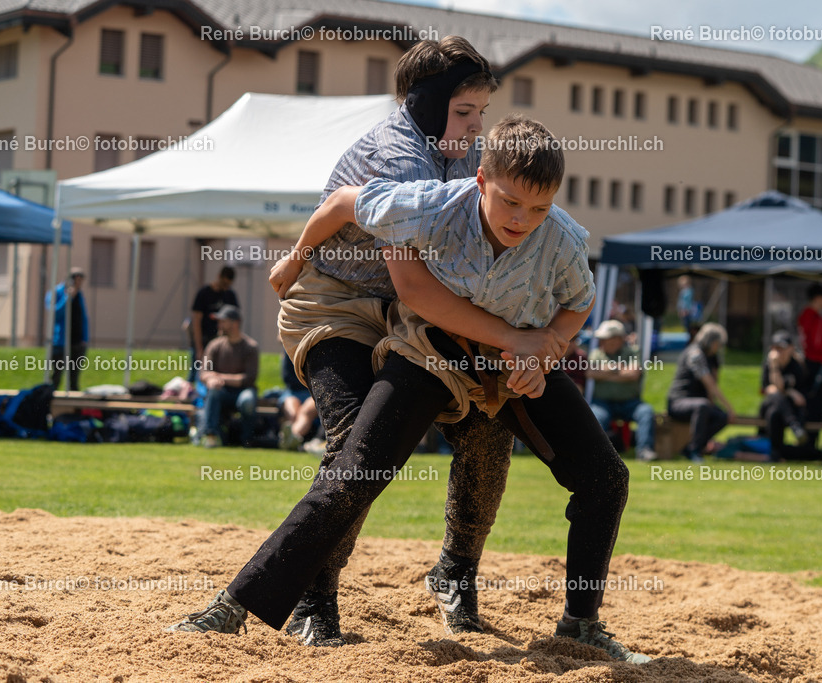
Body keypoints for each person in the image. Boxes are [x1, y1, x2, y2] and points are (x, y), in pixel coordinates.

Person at [181, 114, 649, 662]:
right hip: (432, 352)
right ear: (480, 180)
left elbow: (579, 303)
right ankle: (234, 605)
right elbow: (340, 204)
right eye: (510, 202)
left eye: (539, 208)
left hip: (509, 364)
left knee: (606, 478)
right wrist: (296, 256)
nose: (523, 219)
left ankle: (579, 625)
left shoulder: (562, 238)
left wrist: (545, 350)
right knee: (356, 470)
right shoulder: (432, 204)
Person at [171, 38, 562, 647]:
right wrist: (513, 338)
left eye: (483, 112)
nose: (476, 126)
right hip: (338, 304)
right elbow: (412, 280)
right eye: (464, 111)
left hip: (409, 315)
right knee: (358, 442)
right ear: (427, 105)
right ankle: (315, 599)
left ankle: (455, 571)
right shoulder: (399, 157)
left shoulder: (465, 153)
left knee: (488, 429)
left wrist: (536, 335)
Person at [586, 319, 657, 461]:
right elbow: (591, 373)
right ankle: (596, 454)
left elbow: (633, 374)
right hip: (602, 403)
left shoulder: (633, 352)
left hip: (630, 403)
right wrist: (618, 369)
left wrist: (606, 373)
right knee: (595, 417)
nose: (601, 342)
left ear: (618, 339)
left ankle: (644, 451)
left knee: (646, 412)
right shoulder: (596, 353)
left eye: (605, 338)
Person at [666, 322, 734, 463]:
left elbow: (712, 386)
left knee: (722, 417)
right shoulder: (695, 354)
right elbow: (710, 384)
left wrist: (724, 410)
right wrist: (729, 407)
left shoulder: (710, 357)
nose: (719, 347)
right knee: (702, 405)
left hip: (697, 403)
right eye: (718, 344)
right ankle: (694, 451)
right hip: (678, 402)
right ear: (712, 342)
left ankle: (691, 448)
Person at [197, 305, 259, 449]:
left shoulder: (250, 346)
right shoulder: (214, 345)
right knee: (213, 391)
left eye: (223, 321)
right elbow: (203, 373)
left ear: (235, 323)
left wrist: (219, 377)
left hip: (243, 390)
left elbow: (249, 378)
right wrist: (210, 379)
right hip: (221, 391)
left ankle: (247, 440)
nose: (219, 325)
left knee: (248, 400)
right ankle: (210, 436)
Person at [759, 331, 808, 461]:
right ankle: (794, 426)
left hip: (785, 408)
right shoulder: (769, 363)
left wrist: (781, 390)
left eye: (781, 348)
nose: (778, 352)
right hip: (770, 404)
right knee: (775, 396)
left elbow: (779, 386)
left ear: (791, 349)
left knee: (774, 413)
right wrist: (789, 392)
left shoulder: (796, 366)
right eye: (775, 348)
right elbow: (768, 389)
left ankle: (775, 453)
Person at [189, 266, 239, 382]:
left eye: (228, 285)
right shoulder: (204, 293)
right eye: (224, 283)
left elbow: (235, 318)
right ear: (219, 277)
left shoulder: (229, 295)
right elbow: (196, 321)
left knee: (216, 372)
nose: (225, 287)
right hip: (204, 338)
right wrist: (199, 347)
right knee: (197, 372)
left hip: (221, 341)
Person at [45, 267, 89, 391]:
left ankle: (73, 401)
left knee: (74, 379)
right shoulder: (56, 292)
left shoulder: (79, 295)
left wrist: (85, 338)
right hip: (60, 343)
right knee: (56, 376)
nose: (79, 284)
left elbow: (83, 318)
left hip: (77, 343)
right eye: (77, 280)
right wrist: (68, 297)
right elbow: (54, 313)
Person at [797, 283, 822, 422]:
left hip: (808, 361)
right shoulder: (815, 317)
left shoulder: (804, 314)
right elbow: (817, 344)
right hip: (815, 363)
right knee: (815, 403)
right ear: (817, 298)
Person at [278, 352, 319, 451]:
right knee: (292, 412)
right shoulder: (290, 349)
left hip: (313, 392)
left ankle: (292, 436)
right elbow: (287, 377)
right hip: (293, 392)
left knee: (305, 411)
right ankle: (293, 439)